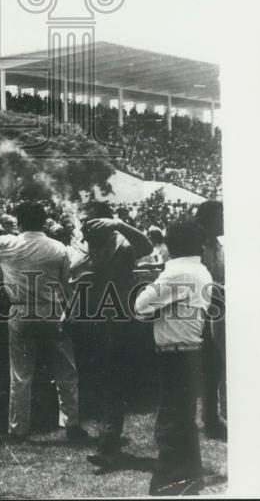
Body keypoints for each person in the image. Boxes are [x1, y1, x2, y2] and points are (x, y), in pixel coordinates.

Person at [0, 203, 87, 443]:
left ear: (20, 222)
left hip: (20, 311)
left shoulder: (10, 243)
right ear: (43, 221)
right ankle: (71, 424)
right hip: (51, 310)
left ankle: (18, 429)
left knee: (20, 374)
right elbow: (65, 286)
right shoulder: (57, 247)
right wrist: (68, 313)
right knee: (65, 371)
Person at [69, 201, 153, 472]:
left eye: (91, 220)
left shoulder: (121, 243)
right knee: (97, 382)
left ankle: (107, 445)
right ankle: (108, 441)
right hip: (88, 320)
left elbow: (146, 247)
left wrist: (118, 223)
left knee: (112, 383)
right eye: (82, 220)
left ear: (104, 221)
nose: (85, 225)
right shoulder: (84, 245)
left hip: (115, 322)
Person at [134, 222, 212, 496]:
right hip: (190, 350)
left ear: (172, 245)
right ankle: (190, 479)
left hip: (175, 353)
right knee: (183, 421)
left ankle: (170, 484)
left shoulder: (176, 272)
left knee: (170, 423)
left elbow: (140, 306)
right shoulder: (199, 269)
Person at [195, 200, 226, 439]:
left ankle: (215, 416)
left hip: (219, 310)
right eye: (220, 217)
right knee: (209, 366)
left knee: (216, 366)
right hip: (200, 313)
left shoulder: (219, 245)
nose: (224, 221)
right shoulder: (197, 246)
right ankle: (210, 418)